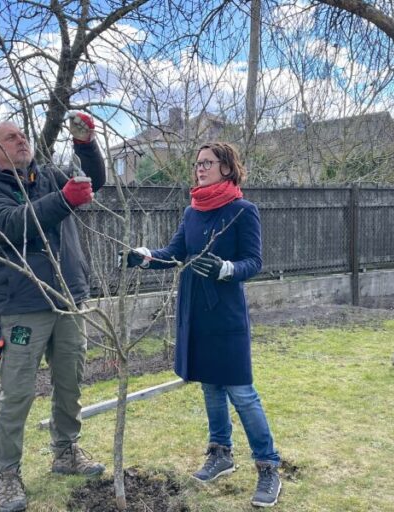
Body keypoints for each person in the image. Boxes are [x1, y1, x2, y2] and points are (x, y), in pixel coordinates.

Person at [122, 142, 282, 508]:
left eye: (207, 163)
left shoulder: (243, 210)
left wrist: (227, 269)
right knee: (210, 386)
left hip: (226, 312)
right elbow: (174, 253)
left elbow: (254, 261)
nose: (200, 168)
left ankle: (269, 466)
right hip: (196, 308)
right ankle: (220, 453)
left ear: (227, 167)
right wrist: (144, 257)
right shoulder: (192, 212)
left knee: (241, 392)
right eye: (197, 164)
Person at [0, 112, 106, 512]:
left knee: (70, 379)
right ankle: (6, 474)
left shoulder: (46, 176)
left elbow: (92, 181)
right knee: (18, 392)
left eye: (23, 135)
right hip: (24, 306)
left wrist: (86, 145)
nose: (22, 140)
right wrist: (64, 200)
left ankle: (66, 452)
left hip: (67, 298)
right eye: (11, 138)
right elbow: (11, 225)